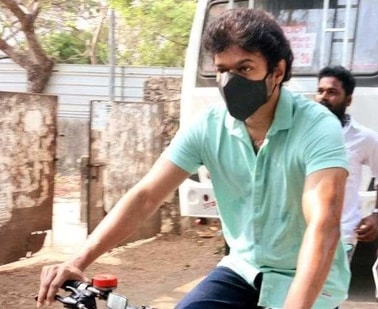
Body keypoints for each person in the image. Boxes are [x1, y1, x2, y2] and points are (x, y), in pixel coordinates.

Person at [37, 8, 351, 309]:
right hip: (243, 269)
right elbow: (146, 196)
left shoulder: (317, 126)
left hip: (307, 280)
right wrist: (78, 261)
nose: (231, 82)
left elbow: (323, 223)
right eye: (222, 70)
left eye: (245, 68)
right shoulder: (208, 126)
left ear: (277, 71)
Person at [314, 65, 378, 260]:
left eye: (332, 92)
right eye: (320, 91)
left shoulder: (364, 137)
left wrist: (377, 214)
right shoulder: (298, 131)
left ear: (348, 99)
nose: (323, 97)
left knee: (330, 291)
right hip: (297, 233)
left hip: (341, 235)